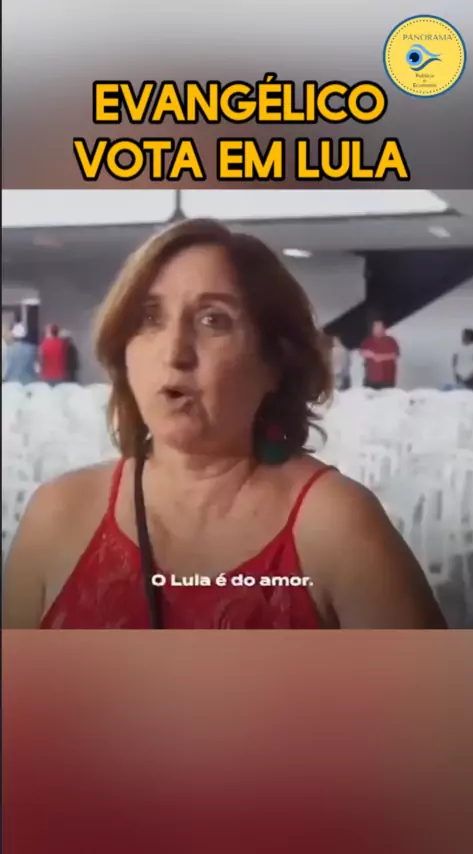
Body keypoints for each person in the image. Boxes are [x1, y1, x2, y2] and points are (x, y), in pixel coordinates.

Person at [3, 219, 445, 630]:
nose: (174, 351)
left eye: (213, 320)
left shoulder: (338, 527)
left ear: (275, 361)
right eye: (150, 318)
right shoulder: (56, 516)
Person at [360, 319, 400, 390]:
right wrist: (372, 355)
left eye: (378, 327)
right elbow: (362, 352)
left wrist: (380, 357)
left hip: (387, 379)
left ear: (383, 329)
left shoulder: (391, 341)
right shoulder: (368, 340)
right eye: (374, 327)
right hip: (370, 379)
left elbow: (395, 355)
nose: (375, 329)